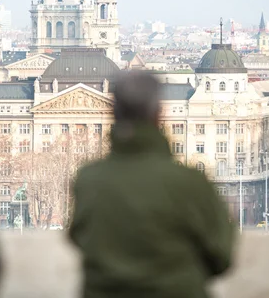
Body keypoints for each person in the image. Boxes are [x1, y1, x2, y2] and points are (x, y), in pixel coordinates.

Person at [69, 71, 234, 298]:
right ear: (158, 115)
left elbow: (78, 239)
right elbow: (222, 257)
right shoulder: (190, 182)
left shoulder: (88, 180)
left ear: (113, 112)